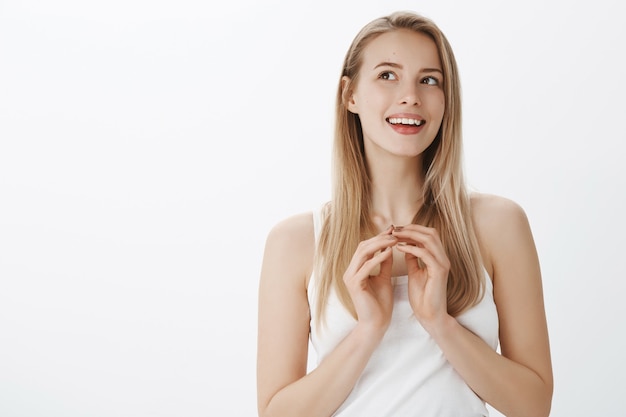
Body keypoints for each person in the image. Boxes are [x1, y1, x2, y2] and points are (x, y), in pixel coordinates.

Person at [256, 11, 553, 417]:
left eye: (429, 80)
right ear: (350, 95)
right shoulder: (296, 242)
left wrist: (439, 322)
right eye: (387, 75)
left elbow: (533, 405)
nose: (411, 95)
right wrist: (367, 332)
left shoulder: (498, 225)